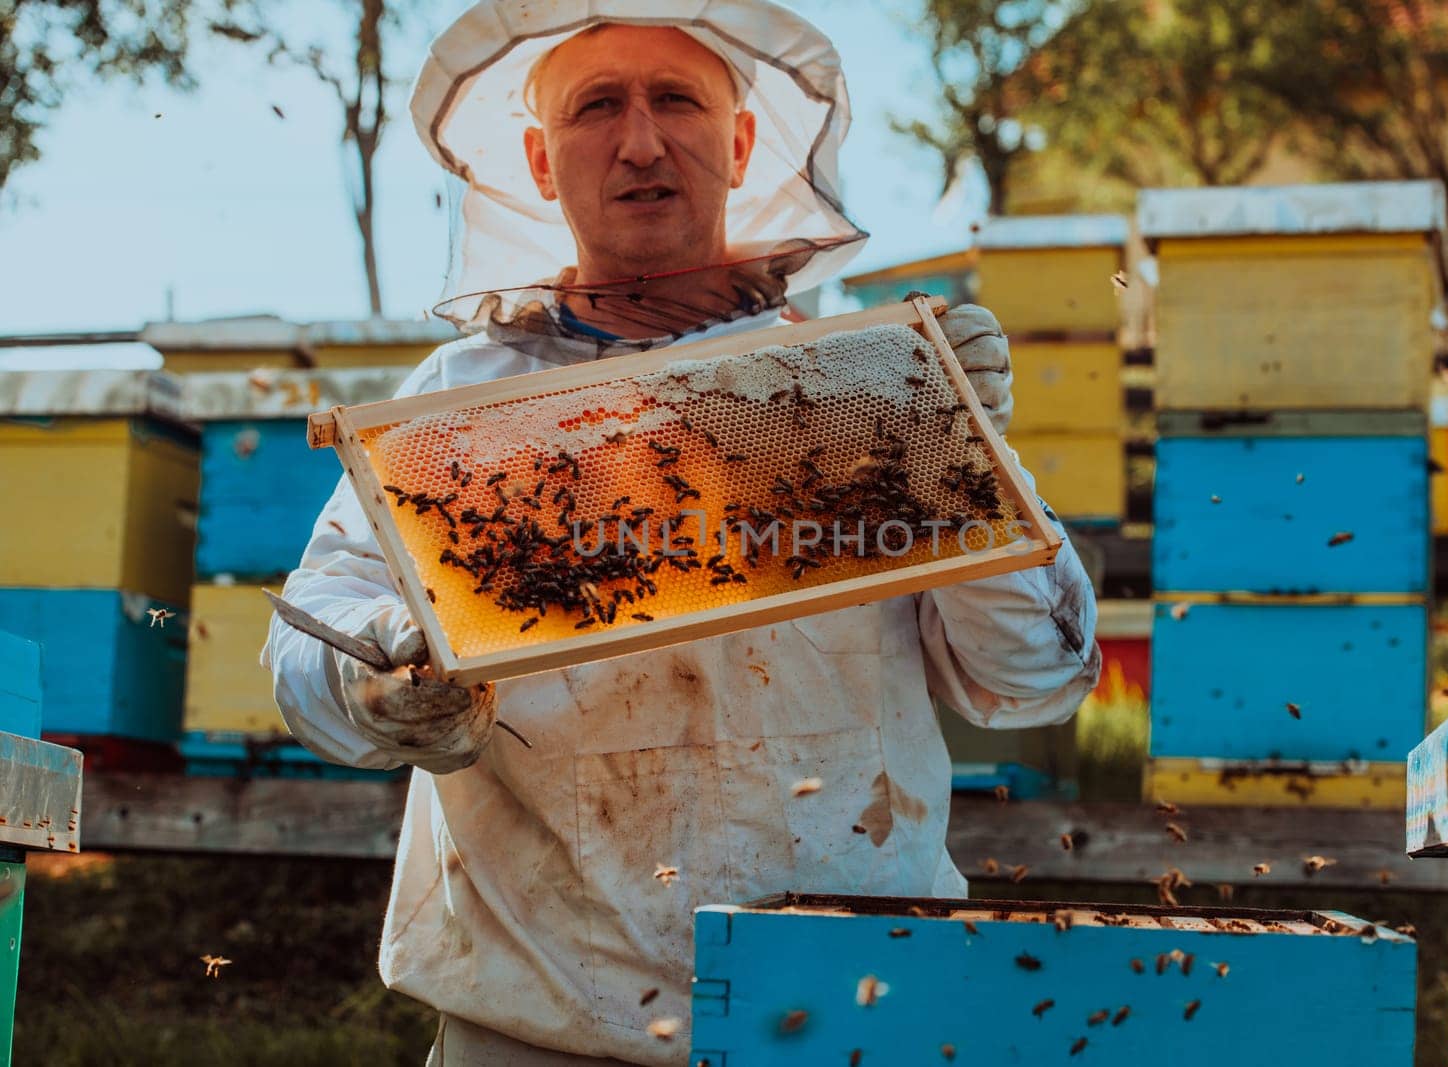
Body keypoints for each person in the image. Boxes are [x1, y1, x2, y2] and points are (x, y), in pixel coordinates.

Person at [263, 3, 1100, 1064]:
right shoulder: (453, 405)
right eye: (596, 106)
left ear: (740, 142)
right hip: (537, 1015)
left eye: (677, 100)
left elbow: (1033, 675)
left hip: (850, 1008)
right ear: (539, 159)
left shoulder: (850, 379)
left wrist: (962, 450)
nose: (642, 140)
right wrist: (377, 668)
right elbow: (309, 635)